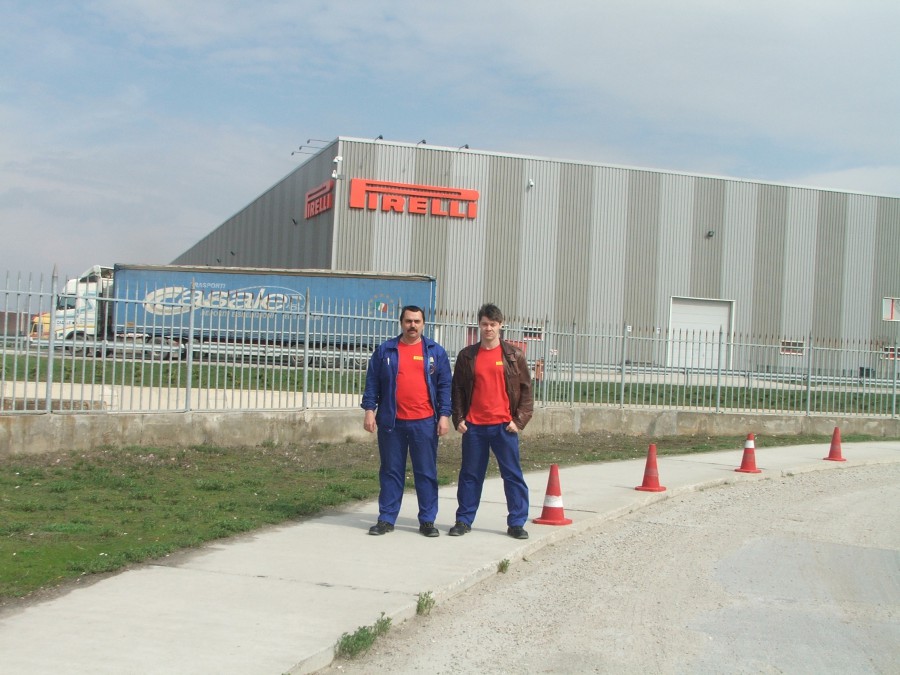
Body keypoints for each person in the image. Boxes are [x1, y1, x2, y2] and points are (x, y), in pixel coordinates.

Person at [361, 305, 452, 537]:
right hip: (392, 422)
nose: (412, 325)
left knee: (426, 472)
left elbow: (444, 386)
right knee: (391, 471)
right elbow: (372, 382)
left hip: (425, 423)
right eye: (408, 321)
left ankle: (427, 521)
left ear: (423, 324)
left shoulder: (435, 352)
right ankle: (386, 518)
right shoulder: (386, 351)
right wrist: (369, 410)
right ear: (401, 323)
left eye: (417, 321)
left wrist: (444, 416)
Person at [449, 303, 534, 539]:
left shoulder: (514, 356)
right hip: (474, 427)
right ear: (479, 325)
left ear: (501, 325)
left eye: (493, 324)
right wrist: (459, 418)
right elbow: (457, 390)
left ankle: (516, 523)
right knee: (470, 475)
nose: (489, 329)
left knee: (512, 475)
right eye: (485, 324)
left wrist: (519, 421)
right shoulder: (467, 356)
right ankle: (463, 520)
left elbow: (526, 391)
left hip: (504, 427)